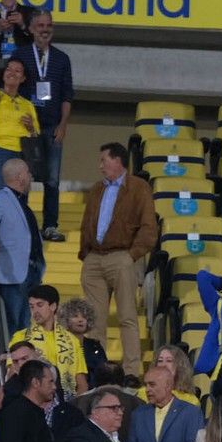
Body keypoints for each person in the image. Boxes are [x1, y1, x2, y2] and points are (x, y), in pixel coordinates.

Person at [79, 143, 157, 378]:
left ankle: (132, 371)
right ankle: (97, 369)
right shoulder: (96, 189)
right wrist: (86, 254)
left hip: (122, 256)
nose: (100, 165)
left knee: (127, 317)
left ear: (117, 161)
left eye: (104, 160)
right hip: (94, 257)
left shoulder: (139, 188)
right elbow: (86, 222)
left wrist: (131, 255)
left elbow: (149, 227)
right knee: (93, 321)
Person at [13, 12, 73, 243]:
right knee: (23, 178)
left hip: (52, 128)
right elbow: (12, 89)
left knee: (52, 180)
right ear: (30, 29)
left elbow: (67, 95)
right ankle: (24, 225)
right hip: (26, 129)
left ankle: (49, 225)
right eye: (40, 25)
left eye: (49, 25)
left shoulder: (62, 58)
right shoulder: (20, 55)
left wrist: (64, 124)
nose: (44, 29)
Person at [0, 55, 41, 191]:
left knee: (21, 195)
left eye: (17, 71)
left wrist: (31, 127)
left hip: (22, 153)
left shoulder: (28, 104)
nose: (12, 73)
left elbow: (35, 135)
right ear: (3, 74)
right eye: (9, 69)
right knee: (1, 193)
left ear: (23, 78)